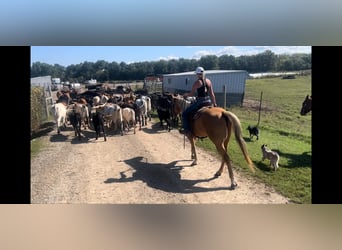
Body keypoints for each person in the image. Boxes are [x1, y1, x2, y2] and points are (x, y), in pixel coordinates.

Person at [180, 67, 217, 136]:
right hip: (208, 101)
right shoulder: (208, 81)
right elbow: (212, 94)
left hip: (200, 102)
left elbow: (191, 94)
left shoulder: (197, 82)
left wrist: (185, 95)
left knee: (185, 113)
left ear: (197, 74)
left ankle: (187, 130)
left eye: (197, 74)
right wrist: (214, 103)